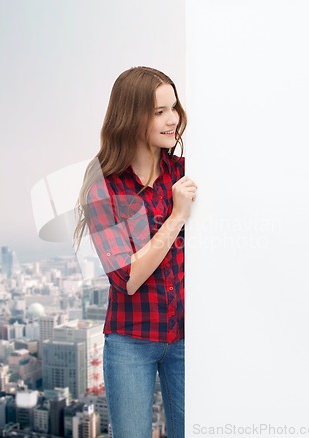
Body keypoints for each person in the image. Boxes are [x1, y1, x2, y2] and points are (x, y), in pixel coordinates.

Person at [74, 66, 197, 438]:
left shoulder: (187, 173)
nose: (172, 118)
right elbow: (127, 277)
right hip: (130, 342)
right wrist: (177, 216)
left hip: (189, 336)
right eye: (159, 111)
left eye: (173, 107)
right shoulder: (103, 186)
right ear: (131, 117)